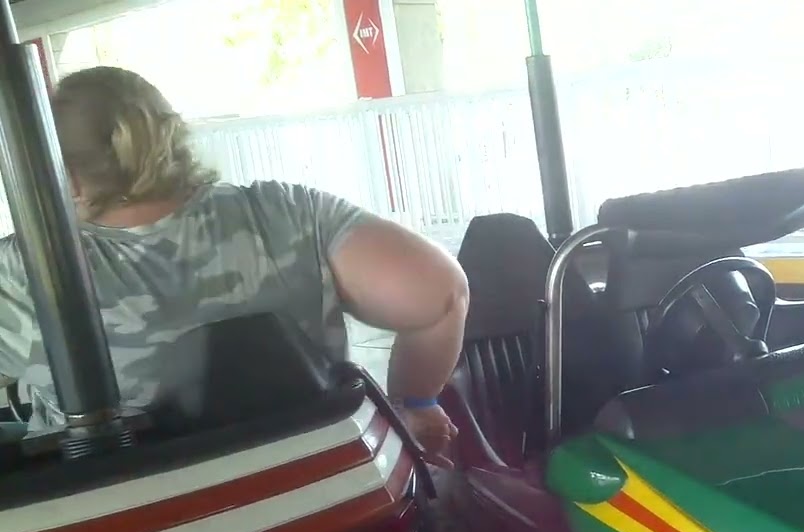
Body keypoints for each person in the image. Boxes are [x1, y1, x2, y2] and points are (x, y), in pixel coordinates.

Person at [0, 66, 467, 465]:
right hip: (324, 487)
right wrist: (417, 403)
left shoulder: (24, 270)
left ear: (67, 176)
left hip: (127, 531)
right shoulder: (290, 211)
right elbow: (441, 293)